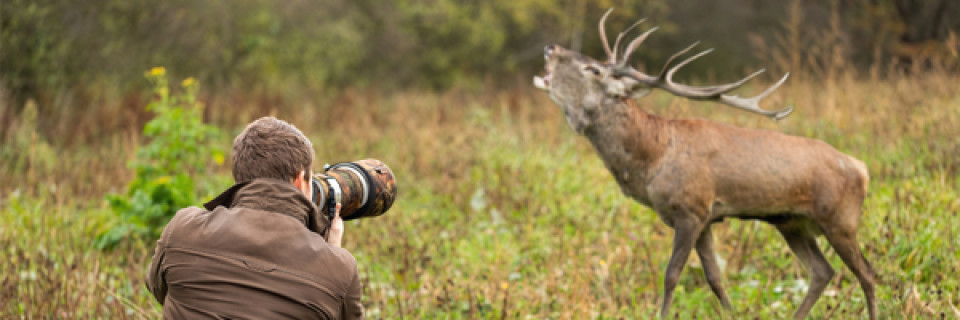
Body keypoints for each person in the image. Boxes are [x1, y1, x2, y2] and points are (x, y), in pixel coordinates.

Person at [146, 117, 363, 319]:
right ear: (299, 179)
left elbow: (159, 289)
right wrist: (332, 253)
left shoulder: (182, 230)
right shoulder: (340, 269)